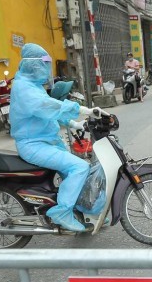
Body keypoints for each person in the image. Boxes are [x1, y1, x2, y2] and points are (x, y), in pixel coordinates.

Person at [10, 43, 94, 232]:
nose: (47, 70)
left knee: (75, 172)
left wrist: (74, 124)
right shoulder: (23, 88)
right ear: (34, 66)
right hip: (33, 145)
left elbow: (50, 111)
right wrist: (81, 110)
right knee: (80, 167)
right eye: (44, 64)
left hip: (48, 142)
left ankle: (85, 212)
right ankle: (62, 213)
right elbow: (46, 106)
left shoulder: (33, 85)